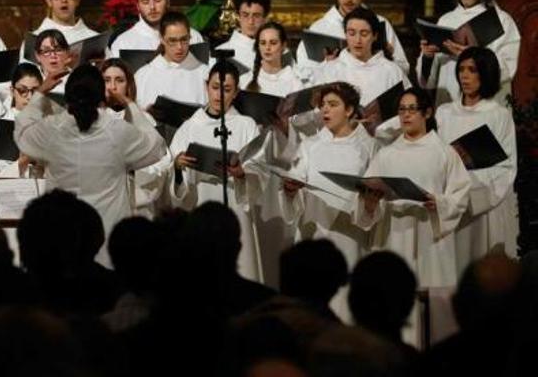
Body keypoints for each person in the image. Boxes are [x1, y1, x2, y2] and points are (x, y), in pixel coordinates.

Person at [14, 64, 166, 265]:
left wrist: (41, 91)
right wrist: (129, 104)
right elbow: (156, 147)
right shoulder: (116, 132)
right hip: (106, 242)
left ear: (68, 96)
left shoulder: (52, 129)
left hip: (63, 242)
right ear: (101, 98)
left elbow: (22, 132)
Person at [356, 87, 471, 288]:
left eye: (412, 109)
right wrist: (370, 203)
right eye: (401, 110)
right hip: (393, 236)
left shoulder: (444, 153)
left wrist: (439, 202)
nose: (406, 115)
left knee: (430, 303)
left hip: (430, 236)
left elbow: (461, 194)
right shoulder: (386, 154)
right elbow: (369, 197)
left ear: (427, 112)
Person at [169, 61, 262, 280]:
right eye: (215, 87)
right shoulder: (190, 127)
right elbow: (173, 171)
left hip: (236, 207)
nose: (219, 95)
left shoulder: (246, 125)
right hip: (202, 204)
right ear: (206, 86)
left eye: (227, 89)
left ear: (236, 92)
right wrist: (178, 167)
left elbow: (259, 168)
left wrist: (242, 173)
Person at [277, 82, 376, 272]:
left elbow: (375, 197)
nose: (325, 110)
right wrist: (290, 191)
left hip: (349, 235)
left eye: (333, 104)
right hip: (313, 231)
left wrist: (370, 204)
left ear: (349, 110)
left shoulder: (368, 147)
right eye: (323, 105)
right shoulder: (308, 145)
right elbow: (293, 187)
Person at [435, 47, 518, 269]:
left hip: (482, 205)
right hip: (448, 202)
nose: (464, 75)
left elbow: (506, 167)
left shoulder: (498, 115)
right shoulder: (443, 113)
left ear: (486, 73)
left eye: (472, 70)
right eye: (461, 69)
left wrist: (467, 187)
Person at [417, 0, 521, 107]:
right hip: (450, 105)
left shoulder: (500, 20)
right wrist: (427, 57)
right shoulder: (446, 20)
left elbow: (508, 69)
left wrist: (473, 56)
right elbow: (428, 82)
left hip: (486, 106)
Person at [296, 0, 409, 79]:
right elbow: (303, 74)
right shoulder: (319, 29)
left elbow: (404, 71)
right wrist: (327, 65)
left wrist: (388, 58)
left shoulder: (381, 24)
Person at [101, 58, 173, 218]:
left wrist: (134, 164)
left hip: (138, 208)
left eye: (119, 80)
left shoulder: (144, 120)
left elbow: (162, 161)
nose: (112, 87)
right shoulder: (92, 118)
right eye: (107, 80)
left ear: (128, 85)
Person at [316, 8, 410, 105]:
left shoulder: (392, 71)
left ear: (375, 36)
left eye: (364, 34)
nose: (358, 40)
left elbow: (407, 107)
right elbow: (316, 110)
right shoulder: (330, 70)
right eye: (352, 33)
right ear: (345, 34)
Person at [109, 0, 204, 57]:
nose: (152, 7)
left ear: (168, 2)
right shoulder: (124, 43)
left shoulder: (192, 37)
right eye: (145, 2)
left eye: (157, 0)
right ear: (138, 6)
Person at [134, 12, 209, 108]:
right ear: (161, 39)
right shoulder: (142, 76)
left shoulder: (205, 74)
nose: (179, 47)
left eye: (184, 39)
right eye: (172, 41)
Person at [0, 63, 43, 178]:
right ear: (12, 90)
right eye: (23, 90)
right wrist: (24, 160)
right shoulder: (1, 125)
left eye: (35, 91)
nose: (29, 97)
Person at [213, 0, 271, 69]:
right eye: (245, 15)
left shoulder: (278, 52)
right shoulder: (221, 52)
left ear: (265, 18)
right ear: (238, 16)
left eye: (256, 16)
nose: (251, 21)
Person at [30, 0, 98, 45]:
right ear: (49, 1)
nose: (64, 0)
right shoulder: (34, 40)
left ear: (77, 0)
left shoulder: (94, 39)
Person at [241, 22, 303, 96]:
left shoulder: (295, 84)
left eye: (273, 43)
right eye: (263, 43)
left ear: (283, 45)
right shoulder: (244, 81)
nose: (267, 47)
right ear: (258, 46)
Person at [30, 29, 73, 95]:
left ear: (67, 52)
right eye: (46, 51)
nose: (53, 55)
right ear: (37, 56)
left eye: (58, 50)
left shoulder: (76, 79)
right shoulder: (29, 79)